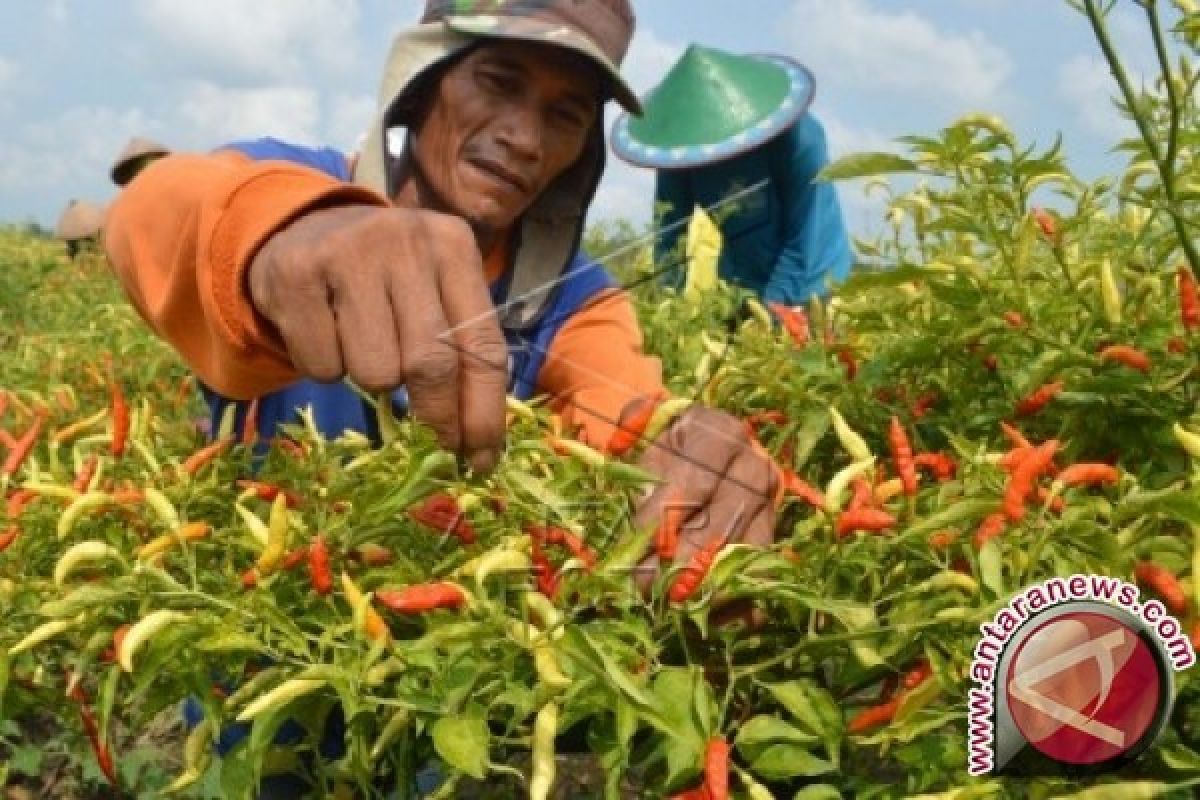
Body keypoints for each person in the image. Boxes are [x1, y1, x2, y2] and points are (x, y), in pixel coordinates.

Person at [104, 2, 779, 795]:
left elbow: (630, 413)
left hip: (435, 696)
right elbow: (159, 208)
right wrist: (287, 239)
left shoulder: (571, 301)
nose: (525, 139)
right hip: (257, 686)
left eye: (564, 116)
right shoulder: (298, 192)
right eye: (497, 81)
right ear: (421, 85)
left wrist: (696, 453)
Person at [611, 44, 854, 307]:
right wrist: (667, 311)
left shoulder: (800, 139)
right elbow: (670, 237)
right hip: (740, 279)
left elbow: (805, 238)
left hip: (812, 279)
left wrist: (772, 313)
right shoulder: (681, 151)